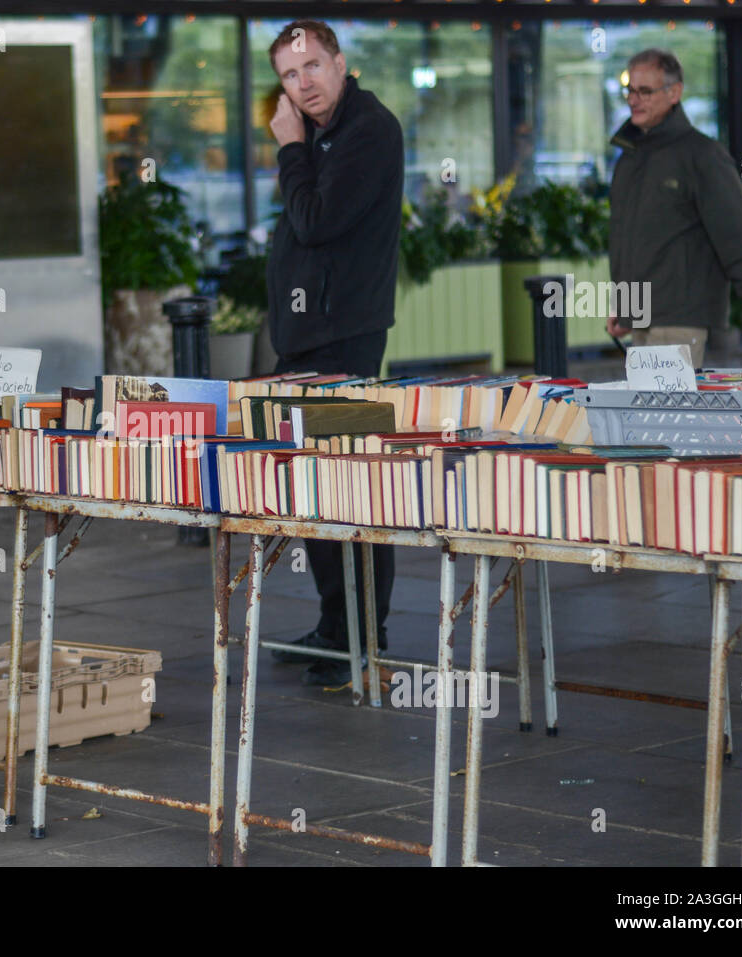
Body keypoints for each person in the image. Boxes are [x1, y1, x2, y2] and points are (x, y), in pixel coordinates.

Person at [263, 19, 403, 686]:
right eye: (290, 75)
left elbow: (316, 220)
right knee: (315, 486)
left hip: (343, 334)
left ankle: (363, 635)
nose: (303, 82)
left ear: (341, 62)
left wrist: (290, 148)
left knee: (350, 484)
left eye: (312, 66)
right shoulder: (322, 133)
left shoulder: (367, 129)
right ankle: (334, 626)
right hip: (306, 334)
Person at [605, 49, 742, 365]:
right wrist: (625, 305)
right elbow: (627, 240)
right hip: (641, 318)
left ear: (675, 93)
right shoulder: (629, 157)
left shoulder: (702, 155)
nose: (633, 100)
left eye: (645, 91)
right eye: (630, 90)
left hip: (684, 321)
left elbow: (738, 238)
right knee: (647, 414)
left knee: (675, 415)